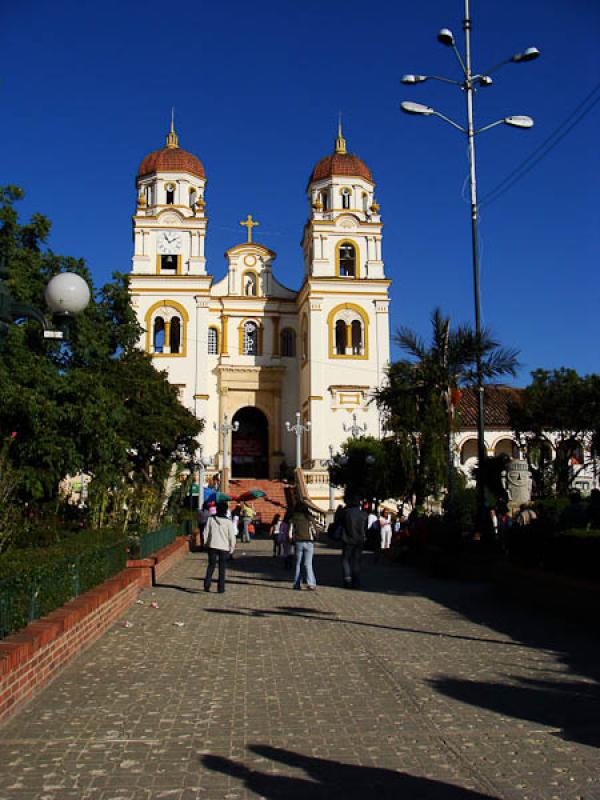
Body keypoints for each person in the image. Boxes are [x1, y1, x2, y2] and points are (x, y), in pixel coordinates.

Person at [203, 500, 236, 593]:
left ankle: (207, 584)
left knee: (211, 565)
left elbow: (206, 532)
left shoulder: (211, 519)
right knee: (222, 568)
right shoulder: (228, 522)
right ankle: (221, 588)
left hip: (212, 545)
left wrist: (205, 543)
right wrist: (232, 548)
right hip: (224, 547)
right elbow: (231, 536)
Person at [341, 495, 368, 589]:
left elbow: (341, 524)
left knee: (346, 560)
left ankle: (347, 579)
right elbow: (365, 528)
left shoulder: (346, 513)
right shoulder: (363, 514)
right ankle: (356, 580)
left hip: (347, 539)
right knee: (356, 560)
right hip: (359, 540)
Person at [288, 501, 317, 590]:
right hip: (309, 542)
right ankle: (311, 583)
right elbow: (314, 531)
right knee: (308, 564)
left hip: (298, 541)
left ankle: (297, 583)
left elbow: (290, 533)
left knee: (298, 564)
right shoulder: (309, 518)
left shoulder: (293, 518)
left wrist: (291, 541)